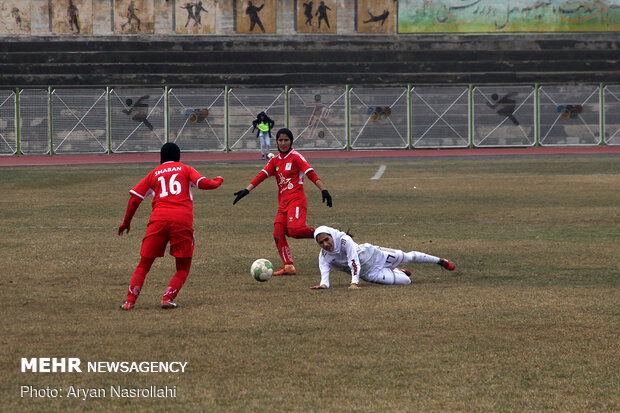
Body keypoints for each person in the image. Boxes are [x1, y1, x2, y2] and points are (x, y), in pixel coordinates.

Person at [118, 142, 223, 310]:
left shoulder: (154, 173)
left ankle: (130, 301)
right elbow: (203, 183)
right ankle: (167, 298)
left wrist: (126, 222)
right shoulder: (185, 169)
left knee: (144, 264)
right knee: (183, 267)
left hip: (158, 219)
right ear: (178, 156)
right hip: (181, 219)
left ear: (161, 157)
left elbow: (135, 198)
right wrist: (218, 181)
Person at [233, 128, 332, 276]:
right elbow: (261, 175)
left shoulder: (296, 157)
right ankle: (289, 266)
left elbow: (310, 173)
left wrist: (323, 190)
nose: (283, 143)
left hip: (297, 201)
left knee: (294, 231)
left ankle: (328, 234)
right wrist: (246, 190)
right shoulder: (275, 161)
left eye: (286, 140)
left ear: (291, 141)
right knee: (278, 233)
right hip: (283, 204)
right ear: (277, 142)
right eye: (280, 140)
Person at [311, 226, 455, 290]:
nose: (325, 244)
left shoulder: (344, 240)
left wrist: (354, 283)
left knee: (409, 257)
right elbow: (325, 273)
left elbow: (353, 262)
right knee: (406, 281)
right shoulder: (324, 256)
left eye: (326, 239)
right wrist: (323, 285)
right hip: (370, 274)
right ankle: (400, 272)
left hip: (376, 255)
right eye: (321, 243)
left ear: (331, 235)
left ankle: (440, 261)